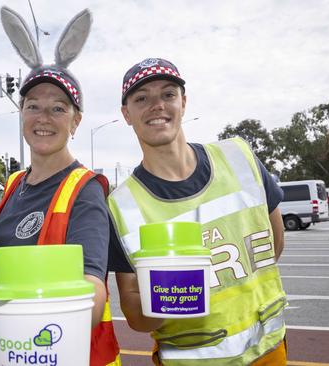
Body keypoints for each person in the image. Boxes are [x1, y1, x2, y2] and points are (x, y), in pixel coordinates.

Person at [0, 6, 121, 366]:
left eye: (58, 108)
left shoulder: (86, 188)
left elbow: (93, 296)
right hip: (10, 353)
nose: (44, 117)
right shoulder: (14, 184)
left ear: (76, 121)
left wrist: (7, 292)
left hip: (62, 355)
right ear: (22, 114)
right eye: (33, 106)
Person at [107, 58, 288, 365]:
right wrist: (170, 300)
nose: (157, 106)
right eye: (142, 99)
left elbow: (274, 244)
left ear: (183, 102)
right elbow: (135, 314)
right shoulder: (121, 206)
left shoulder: (238, 157)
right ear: (127, 113)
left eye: (168, 94)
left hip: (268, 352)